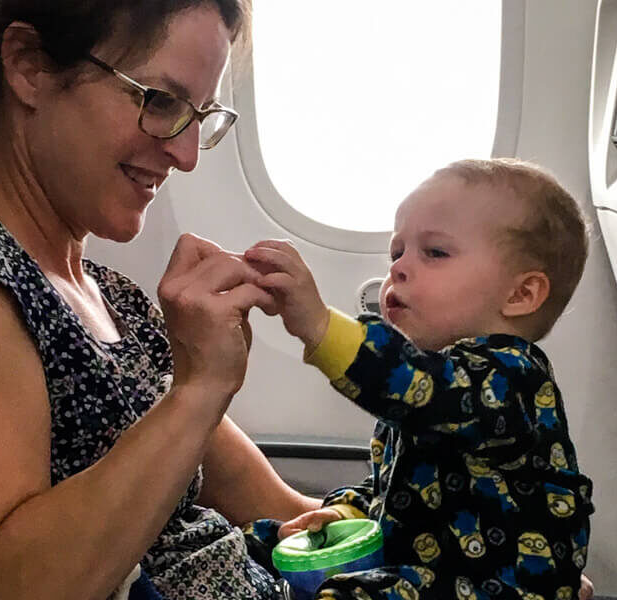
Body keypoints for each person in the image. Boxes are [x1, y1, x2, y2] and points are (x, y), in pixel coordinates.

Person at [0, 2, 321, 599]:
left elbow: (288, 511)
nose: (187, 155)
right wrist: (199, 389)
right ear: (29, 67)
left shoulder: (114, 297)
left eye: (201, 115)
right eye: (160, 101)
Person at [244, 159, 596, 599]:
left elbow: (418, 388)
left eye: (435, 253)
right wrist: (345, 512)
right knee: (259, 541)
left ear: (520, 294)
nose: (399, 269)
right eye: (397, 253)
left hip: (496, 587)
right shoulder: (433, 375)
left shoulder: (510, 376)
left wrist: (320, 326)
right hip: (437, 575)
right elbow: (392, 490)